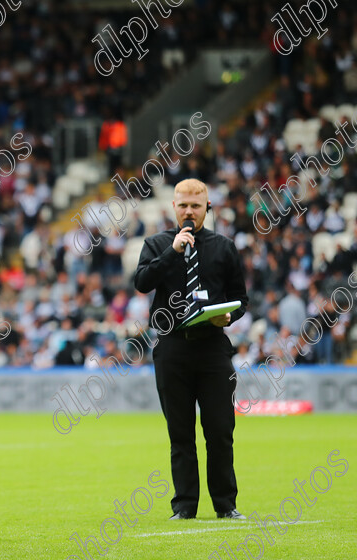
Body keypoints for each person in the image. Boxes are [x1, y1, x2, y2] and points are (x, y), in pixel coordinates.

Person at [133, 179, 249, 520]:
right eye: (183, 205)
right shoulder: (157, 244)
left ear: (207, 207)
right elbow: (142, 283)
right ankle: (184, 506)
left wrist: (229, 316)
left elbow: (241, 298)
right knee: (179, 433)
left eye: (195, 206)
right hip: (172, 348)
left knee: (220, 431)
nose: (188, 212)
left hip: (213, 349)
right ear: (173, 207)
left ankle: (226, 505)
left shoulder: (224, 247)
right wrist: (173, 251)